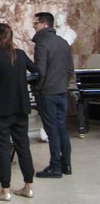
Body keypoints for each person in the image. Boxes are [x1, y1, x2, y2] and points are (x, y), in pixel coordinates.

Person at [0, 23, 39, 201]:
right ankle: (28, 187)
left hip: (2, 109)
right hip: (21, 107)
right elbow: (37, 72)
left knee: (3, 147)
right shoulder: (21, 54)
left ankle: (5, 189)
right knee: (23, 146)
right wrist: (23, 85)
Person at [31, 11, 74, 178]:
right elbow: (70, 69)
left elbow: (40, 72)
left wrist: (38, 88)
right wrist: (62, 84)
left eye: (35, 23)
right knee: (61, 127)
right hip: (61, 92)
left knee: (52, 130)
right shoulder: (62, 42)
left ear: (43, 24)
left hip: (47, 93)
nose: (33, 26)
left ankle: (55, 166)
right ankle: (66, 165)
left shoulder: (42, 43)